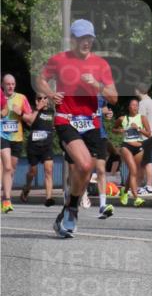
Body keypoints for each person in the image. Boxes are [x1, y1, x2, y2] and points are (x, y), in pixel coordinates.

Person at [36, 19, 119, 237]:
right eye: (82, 38)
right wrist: (51, 94)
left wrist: (96, 85)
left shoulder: (101, 64)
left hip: (91, 122)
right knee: (83, 164)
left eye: (89, 38)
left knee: (86, 169)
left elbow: (114, 96)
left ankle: (68, 208)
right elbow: (40, 80)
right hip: (66, 119)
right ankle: (72, 208)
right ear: (72, 39)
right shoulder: (59, 60)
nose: (86, 42)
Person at [2, 74, 36, 213]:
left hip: (16, 138)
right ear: (2, 85)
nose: (10, 86)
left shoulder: (21, 98)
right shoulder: (0, 97)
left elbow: (30, 120)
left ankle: (5, 197)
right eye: (8, 84)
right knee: (7, 167)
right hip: (1, 135)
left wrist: (20, 112)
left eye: (13, 84)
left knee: (11, 169)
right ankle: (6, 200)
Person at [113, 98, 151, 207]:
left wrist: (138, 128)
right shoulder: (122, 119)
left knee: (133, 172)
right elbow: (114, 129)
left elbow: (148, 134)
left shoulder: (142, 118)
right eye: (133, 105)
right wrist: (119, 130)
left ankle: (124, 192)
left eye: (136, 105)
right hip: (126, 146)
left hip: (139, 147)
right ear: (129, 107)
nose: (135, 107)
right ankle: (136, 197)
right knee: (133, 170)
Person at [21, 92, 56, 207]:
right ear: (36, 100)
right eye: (39, 98)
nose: (42, 100)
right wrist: (37, 108)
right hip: (34, 146)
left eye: (45, 98)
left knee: (49, 170)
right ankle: (27, 188)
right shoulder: (32, 111)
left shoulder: (52, 112)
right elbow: (30, 121)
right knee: (33, 172)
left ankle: (49, 198)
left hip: (47, 145)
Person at [135, 86, 152, 196]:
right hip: (151, 135)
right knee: (143, 162)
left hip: (145, 136)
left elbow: (140, 121)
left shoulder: (143, 103)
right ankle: (140, 186)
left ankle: (148, 187)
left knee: (147, 162)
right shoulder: (150, 101)